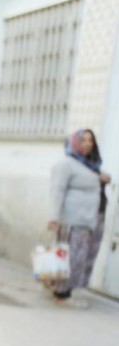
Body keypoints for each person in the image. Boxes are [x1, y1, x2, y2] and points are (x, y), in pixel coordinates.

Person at [47, 128, 111, 301]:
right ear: (75, 142)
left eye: (91, 140)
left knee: (85, 257)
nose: (88, 144)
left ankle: (69, 291)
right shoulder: (65, 164)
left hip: (92, 218)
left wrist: (101, 179)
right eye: (83, 140)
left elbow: (88, 183)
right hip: (73, 220)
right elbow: (57, 190)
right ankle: (61, 292)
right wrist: (53, 216)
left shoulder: (90, 165)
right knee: (71, 257)